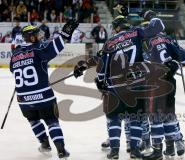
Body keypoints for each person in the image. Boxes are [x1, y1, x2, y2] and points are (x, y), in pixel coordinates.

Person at [74, 11, 165, 159]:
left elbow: (100, 61)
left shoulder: (110, 42)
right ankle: (135, 150)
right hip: (137, 83)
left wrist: (87, 69)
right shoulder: (136, 33)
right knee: (136, 117)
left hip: (116, 85)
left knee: (114, 117)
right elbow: (159, 26)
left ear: (116, 28)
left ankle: (114, 150)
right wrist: (151, 16)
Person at [9, 19, 79, 159]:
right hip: (43, 96)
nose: (41, 36)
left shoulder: (15, 54)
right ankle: (61, 150)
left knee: (33, 121)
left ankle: (45, 144)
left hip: (23, 99)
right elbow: (57, 46)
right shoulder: (38, 49)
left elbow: (12, 69)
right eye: (37, 34)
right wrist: (65, 34)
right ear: (32, 37)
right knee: (52, 121)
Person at [142, 22, 185, 160]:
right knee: (168, 113)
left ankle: (157, 150)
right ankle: (172, 145)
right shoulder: (170, 39)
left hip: (155, 82)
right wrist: (174, 63)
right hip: (170, 82)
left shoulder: (147, 41)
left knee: (155, 116)